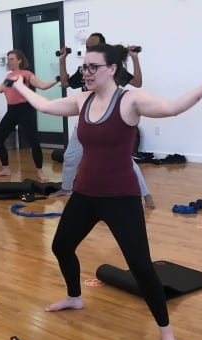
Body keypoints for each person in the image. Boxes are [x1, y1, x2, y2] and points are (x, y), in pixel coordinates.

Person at [10, 43, 202, 340]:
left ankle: (166, 331)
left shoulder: (130, 100)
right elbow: (46, 107)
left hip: (120, 197)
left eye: (92, 67)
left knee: (141, 267)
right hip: (86, 193)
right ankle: (75, 297)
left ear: (112, 69)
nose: (85, 72)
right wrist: (21, 87)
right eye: (84, 66)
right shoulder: (82, 99)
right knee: (61, 246)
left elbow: (171, 108)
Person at [52, 33, 154, 209]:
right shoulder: (83, 70)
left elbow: (137, 83)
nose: (89, 50)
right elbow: (64, 84)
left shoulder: (111, 70)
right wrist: (62, 60)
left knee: (125, 161)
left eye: (92, 47)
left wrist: (135, 58)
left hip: (110, 122)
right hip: (86, 122)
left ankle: (146, 195)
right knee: (70, 156)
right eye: (87, 47)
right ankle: (66, 188)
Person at [0, 49, 58, 182]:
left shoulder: (26, 74)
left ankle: (40, 172)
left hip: (25, 110)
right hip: (11, 111)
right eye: (8, 59)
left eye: (11, 59)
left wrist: (57, 79)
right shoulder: (7, 77)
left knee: (34, 141)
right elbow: (0, 89)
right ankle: (5, 168)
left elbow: (42, 86)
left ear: (19, 60)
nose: (9, 61)